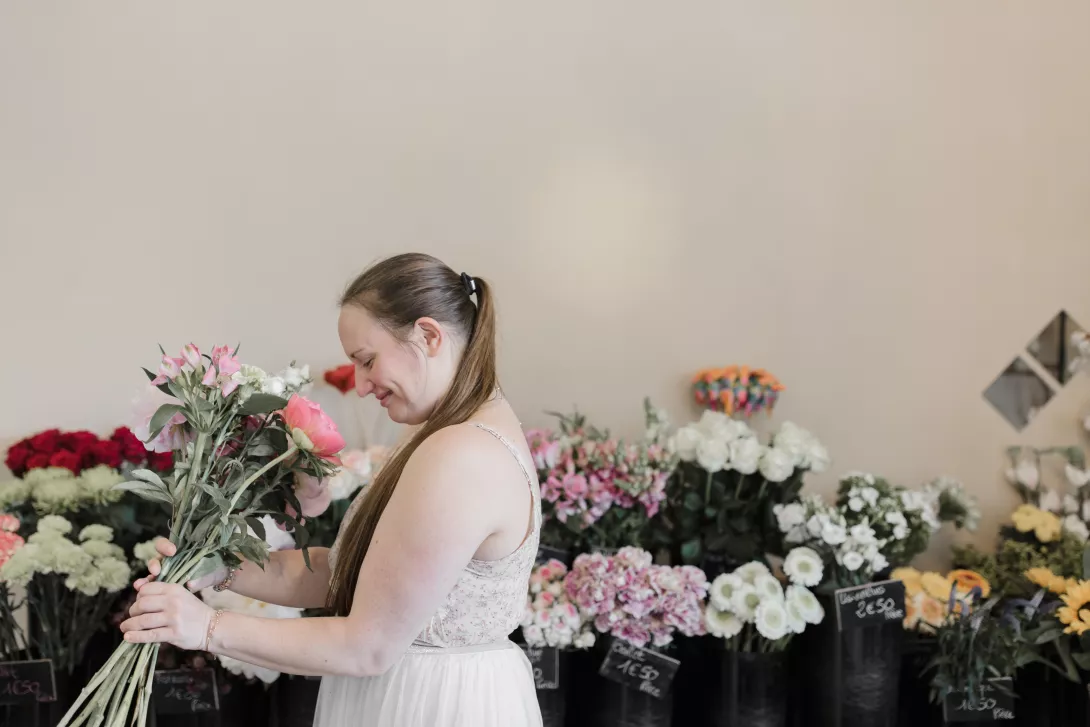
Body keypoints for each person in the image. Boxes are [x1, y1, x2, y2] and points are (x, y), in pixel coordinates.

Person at [122, 253, 544, 726]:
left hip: (433, 706)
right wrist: (221, 567)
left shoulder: (462, 454)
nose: (361, 385)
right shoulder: (452, 433)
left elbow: (369, 647)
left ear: (428, 335)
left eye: (367, 360)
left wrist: (207, 628)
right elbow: (353, 578)